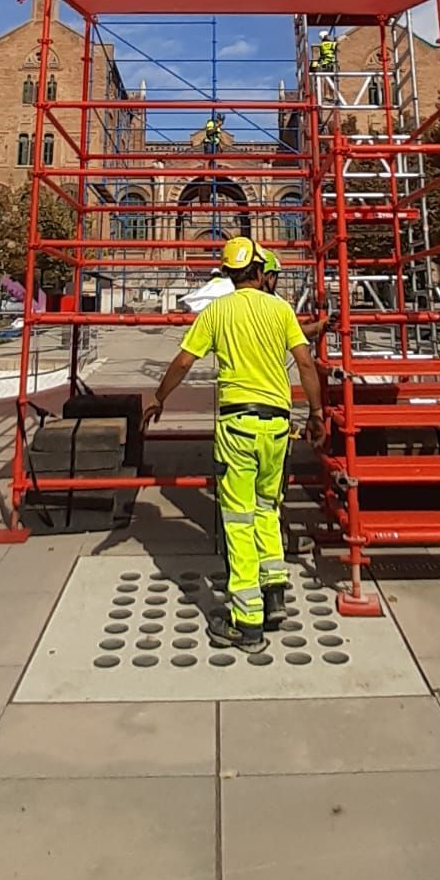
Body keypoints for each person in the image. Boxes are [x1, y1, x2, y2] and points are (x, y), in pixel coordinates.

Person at [143, 235, 325, 650]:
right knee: (266, 508)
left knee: (238, 520)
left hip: (238, 427)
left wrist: (159, 398)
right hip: (277, 427)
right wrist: (315, 414)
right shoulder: (280, 310)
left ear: (226, 274)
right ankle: (275, 591)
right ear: (260, 272)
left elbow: (184, 361)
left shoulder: (217, 312)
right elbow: (304, 361)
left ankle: (247, 623)